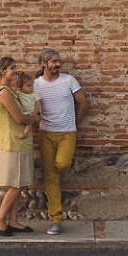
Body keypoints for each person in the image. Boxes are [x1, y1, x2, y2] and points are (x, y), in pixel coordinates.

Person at [34, 48, 89, 235]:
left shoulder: (69, 80)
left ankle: (53, 181)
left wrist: (75, 122)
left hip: (67, 133)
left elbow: (83, 102)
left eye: (58, 61)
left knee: (62, 163)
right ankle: (55, 220)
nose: (58, 64)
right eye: (54, 62)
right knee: (50, 178)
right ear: (44, 64)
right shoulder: (36, 84)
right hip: (46, 134)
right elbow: (32, 108)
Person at [0, 56, 39, 236]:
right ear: (3, 72)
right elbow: (19, 118)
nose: (16, 70)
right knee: (15, 185)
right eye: (12, 68)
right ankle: (0, 220)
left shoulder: (10, 91)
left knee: (18, 183)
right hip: (13, 143)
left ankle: (12, 221)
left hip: (20, 142)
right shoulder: (3, 92)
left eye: (15, 67)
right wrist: (35, 118)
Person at [15, 72, 40, 140]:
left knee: (28, 124)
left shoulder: (34, 94)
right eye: (28, 86)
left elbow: (38, 103)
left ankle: (25, 133)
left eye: (32, 85)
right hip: (21, 113)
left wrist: (35, 113)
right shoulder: (18, 93)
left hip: (30, 113)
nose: (31, 88)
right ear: (21, 86)